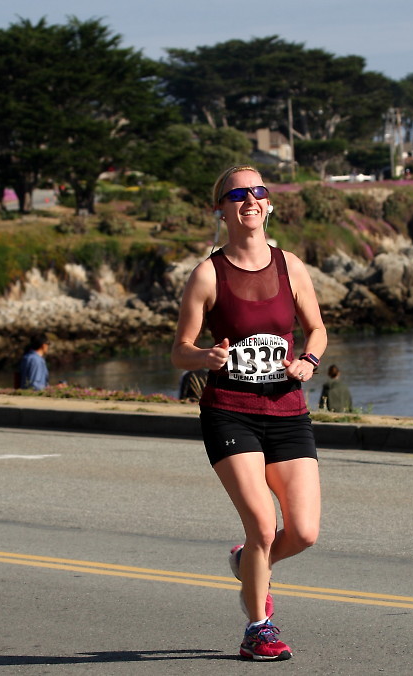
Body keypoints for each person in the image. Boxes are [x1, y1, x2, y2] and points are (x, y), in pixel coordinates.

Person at [171, 165, 326, 661]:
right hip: (230, 413)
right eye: (238, 194)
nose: (250, 200)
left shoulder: (290, 266)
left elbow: (317, 329)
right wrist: (204, 357)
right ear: (221, 209)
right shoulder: (208, 274)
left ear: (269, 203)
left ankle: (247, 565)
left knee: (303, 532)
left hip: (287, 409)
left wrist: (308, 361)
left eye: (258, 191)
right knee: (261, 524)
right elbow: (180, 350)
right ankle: (258, 628)